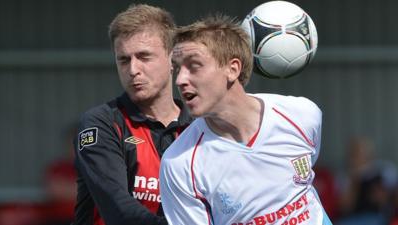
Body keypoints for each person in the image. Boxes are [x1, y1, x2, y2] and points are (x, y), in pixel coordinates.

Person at [160, 15, 332, 225]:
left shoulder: (301, 115)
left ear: (232, 69)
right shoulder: (179, 163)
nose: (179, 80)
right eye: (177, 68)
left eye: (194, 66)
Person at [72, 4, 191, 225]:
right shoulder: (101, 123)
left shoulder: (200, 126)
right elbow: (119, 210)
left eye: (144, 57)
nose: (133, 69)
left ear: (172, 58)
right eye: (124, 60)